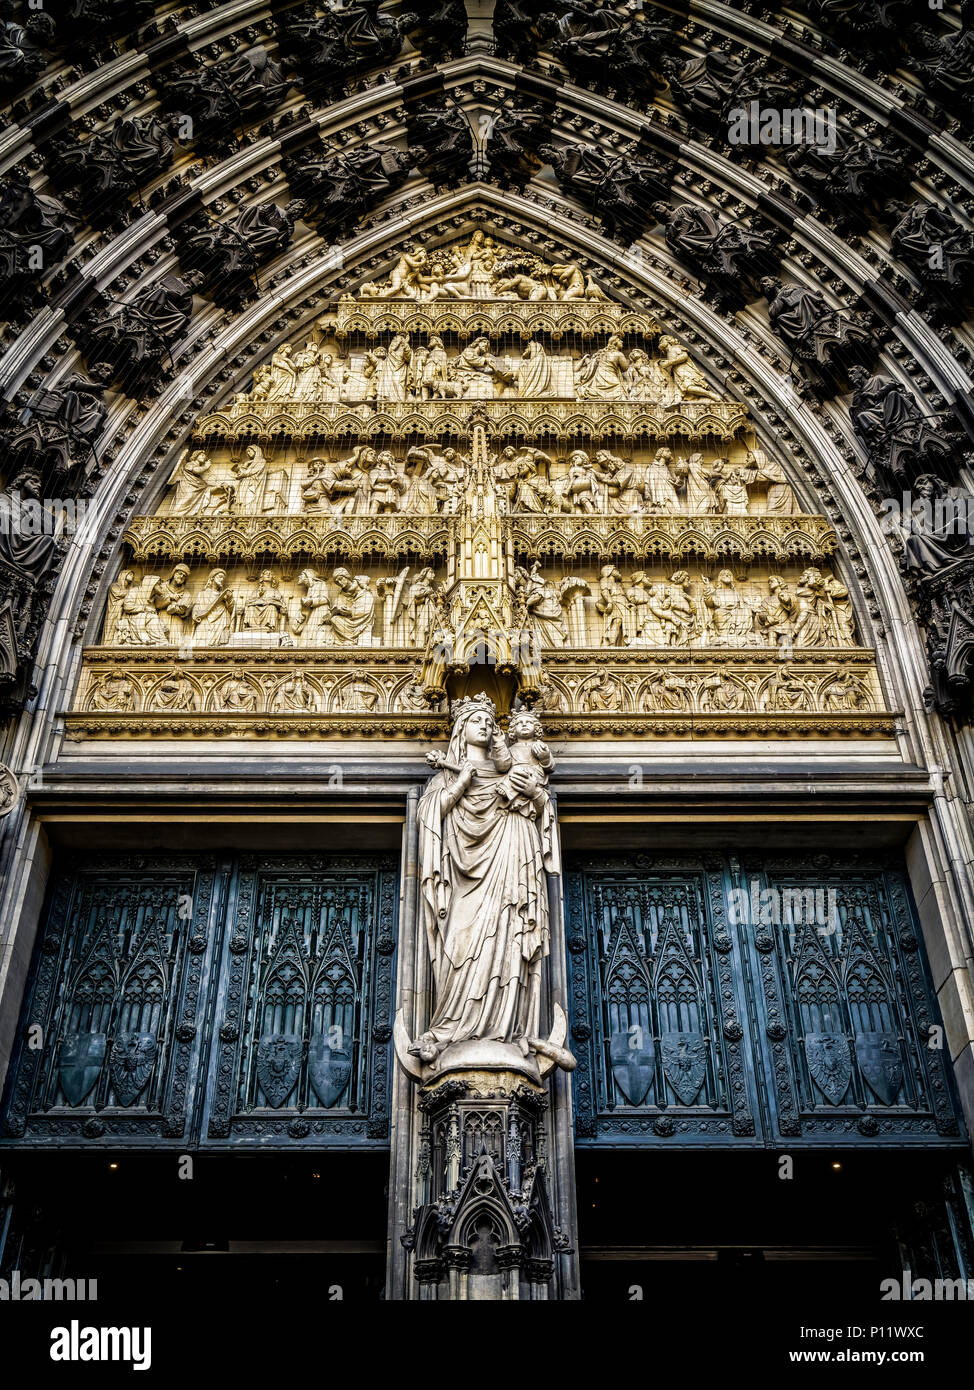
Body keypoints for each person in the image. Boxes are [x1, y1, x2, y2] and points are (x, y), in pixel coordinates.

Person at [413, 694, 560, 1065]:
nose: (485, 725)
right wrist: (461, 782)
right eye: (476, 719)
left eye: (488, 720)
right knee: (462, 943)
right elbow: (430, 815)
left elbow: (542, 808)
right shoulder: (449, 774)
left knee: (510, 933)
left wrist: (535, 796)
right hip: (463, 874)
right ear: (462, 728)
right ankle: (452, 1029)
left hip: (512, 856)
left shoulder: (511, 768)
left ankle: (508, 1031)